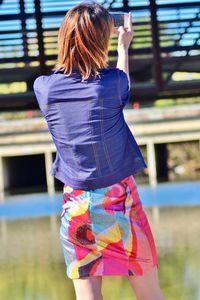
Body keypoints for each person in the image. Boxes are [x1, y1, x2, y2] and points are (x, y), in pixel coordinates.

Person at [33, 1, 164, 300]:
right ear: (100, 40)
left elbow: (72, 78)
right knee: (150, 295)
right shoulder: (113, 83)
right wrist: (123, 49)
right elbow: (122, 84)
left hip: (77, 207)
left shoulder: (45, 89)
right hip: (121, 203)